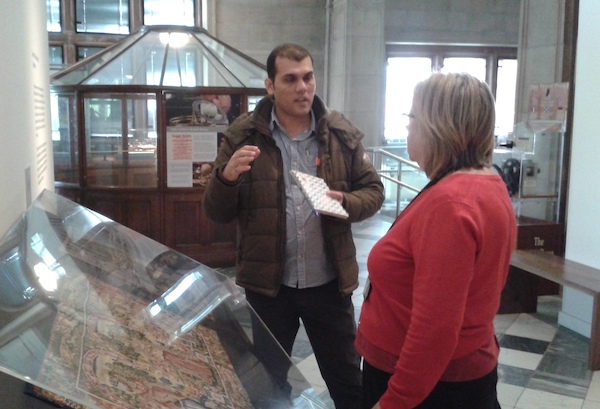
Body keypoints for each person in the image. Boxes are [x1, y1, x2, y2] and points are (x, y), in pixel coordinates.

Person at [203, 43, 384, 408]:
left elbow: (374, 192)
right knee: (268, 384)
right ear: (270, 86)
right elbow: (216, 212)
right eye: (291, 79)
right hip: (270, 289)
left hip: (329, 285)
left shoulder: (339, 133)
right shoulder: (243, 135)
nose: (303, 87)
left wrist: (344, 203)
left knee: (347, 381)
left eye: (308, 77)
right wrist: (226, 177)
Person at [355, 72, 517, 409]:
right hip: (445, 376)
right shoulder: (481, 183)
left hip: (429, 386)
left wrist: (394, 402)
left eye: (412, 117)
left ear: (437, 126)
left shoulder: (451, 204)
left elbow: (436, 330)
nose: (408, 127)